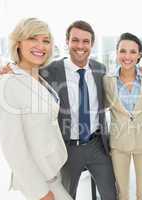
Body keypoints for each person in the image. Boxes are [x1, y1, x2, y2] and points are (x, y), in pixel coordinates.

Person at [0, 18, 72, 200]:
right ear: (18, 43)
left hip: (53, 172)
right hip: (39, 182)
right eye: (33, 38)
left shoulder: (38, 77)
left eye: (46, 40)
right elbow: (13, 149)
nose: (40, 45)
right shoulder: (5, 83)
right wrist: (41, 193)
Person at [39, 20, 117, 200]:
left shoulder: (100, 69)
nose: (80, 46)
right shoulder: (49, 71)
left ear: (92, 44)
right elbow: (26, 77)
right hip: (67, 149)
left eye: (86, 41)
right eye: (75, 40)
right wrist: (10, 70)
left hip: (97, 145)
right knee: (66, 196)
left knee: (111, 194)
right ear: (67, 42)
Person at [103, 33, 142, 200]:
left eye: (133, 52)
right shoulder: (107, 80)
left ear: (139, 54)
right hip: (119, 144)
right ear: (116, 53)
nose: (127, 56)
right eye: (123, 51)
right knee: (122, 193)